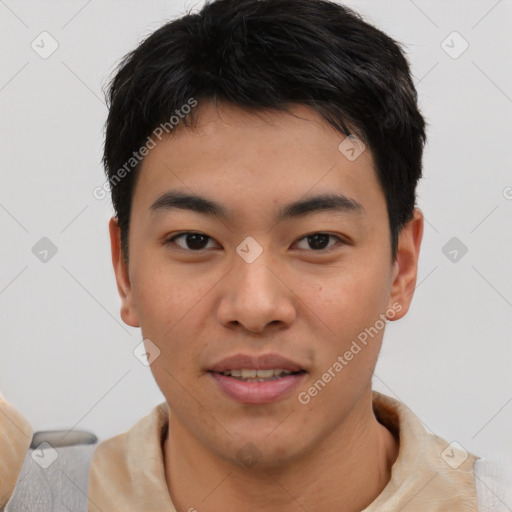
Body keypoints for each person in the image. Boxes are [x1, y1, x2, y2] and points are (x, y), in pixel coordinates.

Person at [2, 0, 509, 511]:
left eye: (317, 241)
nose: (255, 306)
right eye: (195, 240)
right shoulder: (32, 495)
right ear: (125, 270)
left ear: (401, 267)